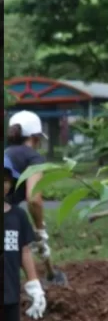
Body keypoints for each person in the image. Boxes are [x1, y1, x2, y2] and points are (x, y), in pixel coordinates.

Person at [5, 111, 52, 262]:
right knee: (19, 250)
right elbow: (33, 199)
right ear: (35, 138)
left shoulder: (7, 153)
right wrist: (40, 229)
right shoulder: (34, 158)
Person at [4, 154, 47, 320]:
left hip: (10, 295)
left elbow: (25, 251)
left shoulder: (18, 216)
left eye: (5, 180)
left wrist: (34, 283)